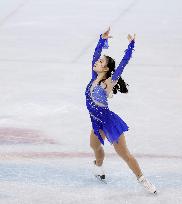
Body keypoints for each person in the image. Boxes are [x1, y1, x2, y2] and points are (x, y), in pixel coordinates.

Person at [84, 27, 157, 194]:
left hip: (109, 123)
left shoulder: (108, 83)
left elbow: (123, 64)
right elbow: (95, 54)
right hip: (96, 122)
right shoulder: (93, 78)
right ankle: (98, 166)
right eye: (98, 60)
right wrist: (102, 40)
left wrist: (131, 46)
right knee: (94, 146)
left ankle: (143, 179)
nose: (97, 62)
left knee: (125, 155)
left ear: (106, 69)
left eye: (101, 62)